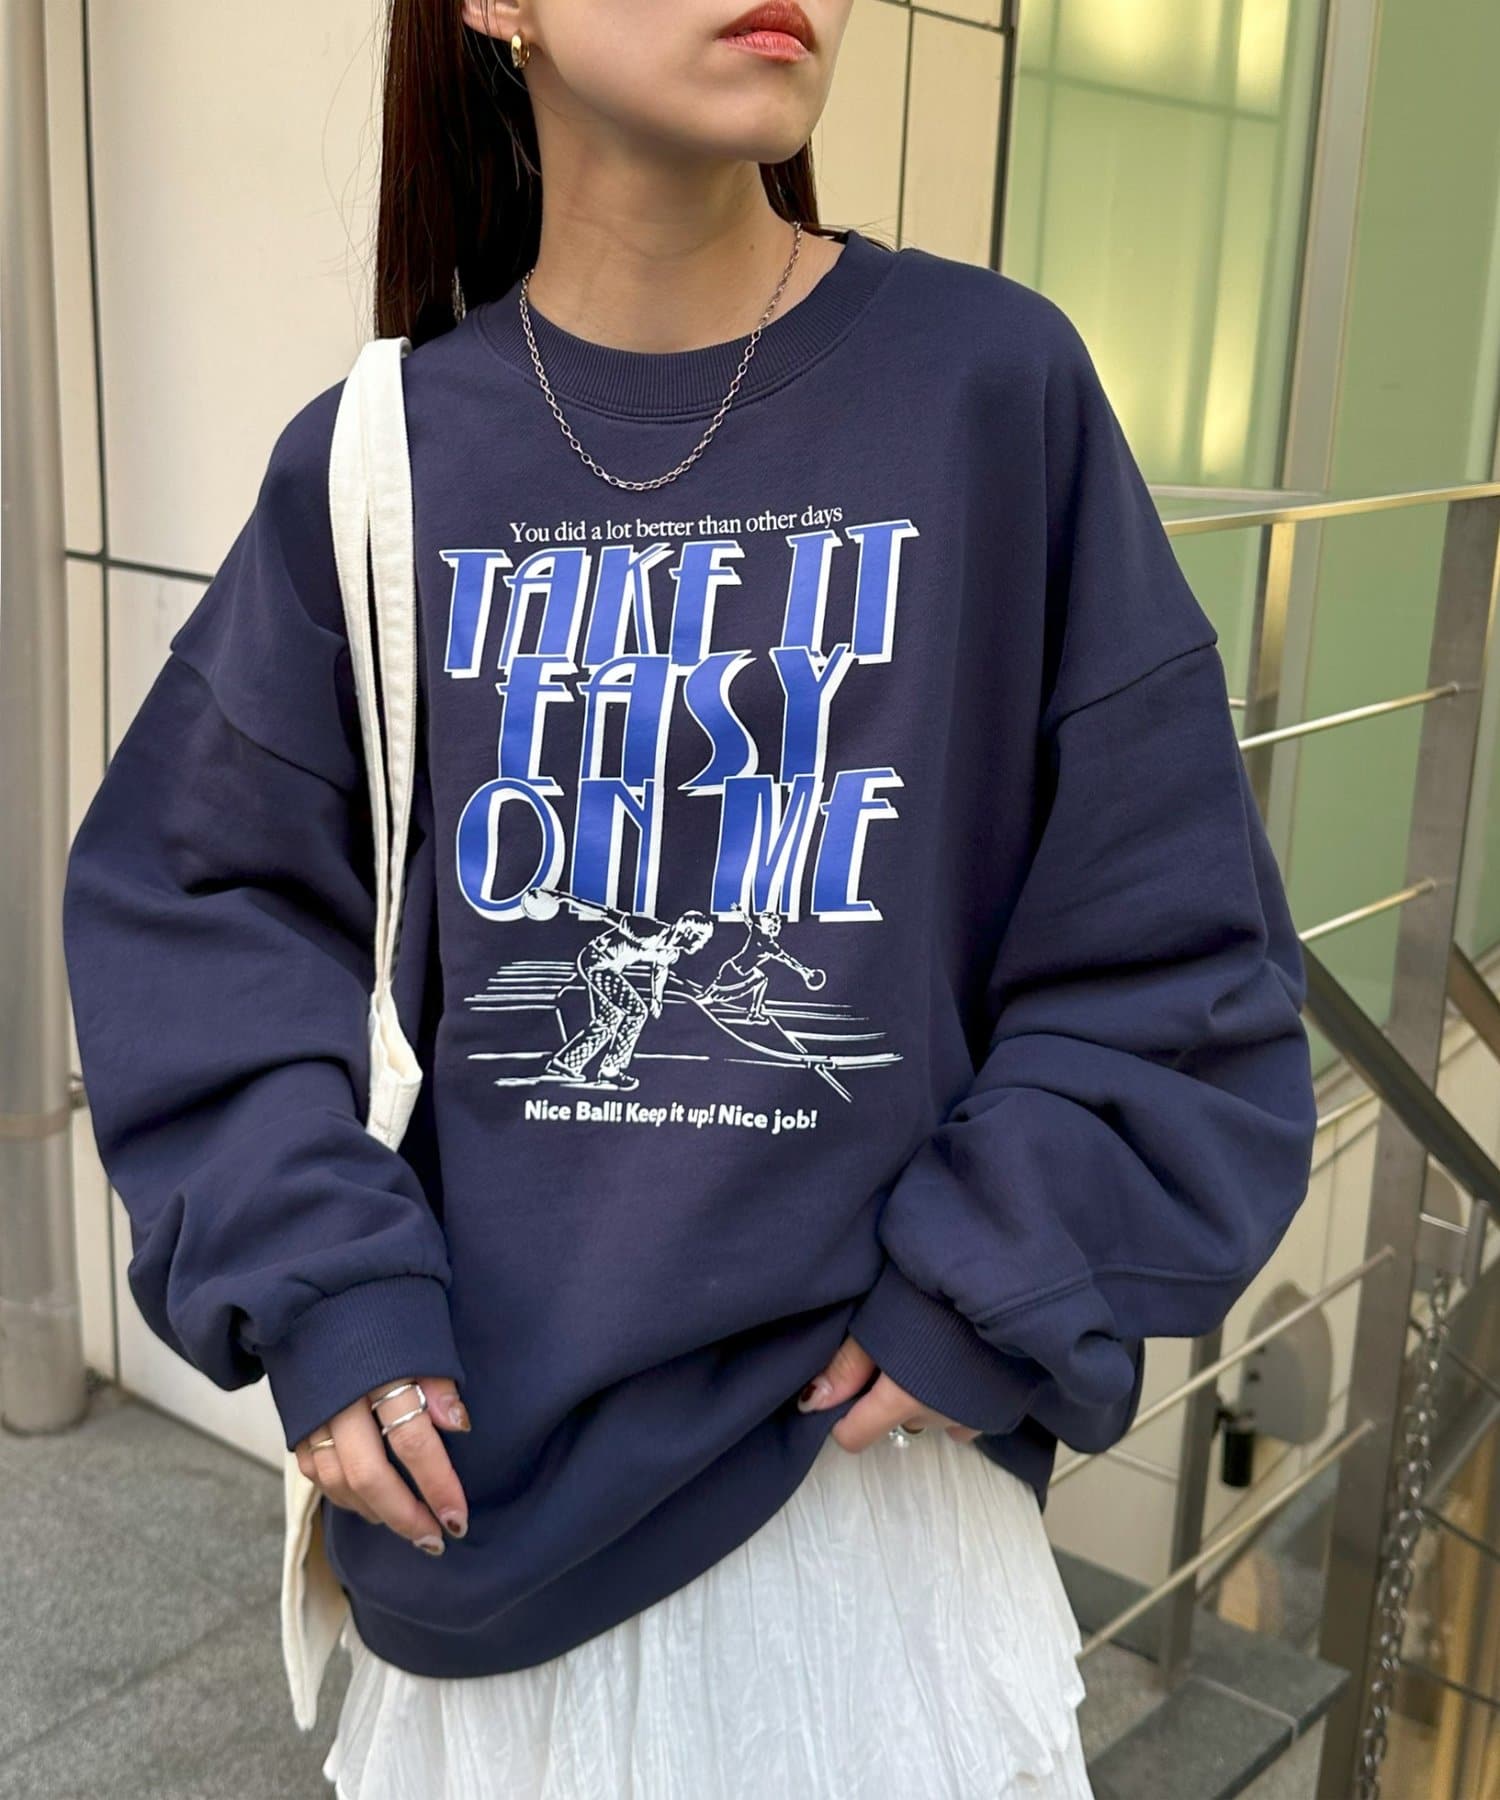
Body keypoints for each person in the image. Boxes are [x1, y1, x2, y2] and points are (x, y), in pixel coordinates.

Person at [59, 1, 1320, 1795]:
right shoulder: (379, 457)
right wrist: (319, 1291)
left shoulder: (986, 389)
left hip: (868, 1529)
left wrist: (992, 1275)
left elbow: (1168, 934)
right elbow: (198, 906)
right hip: (483, 1518)